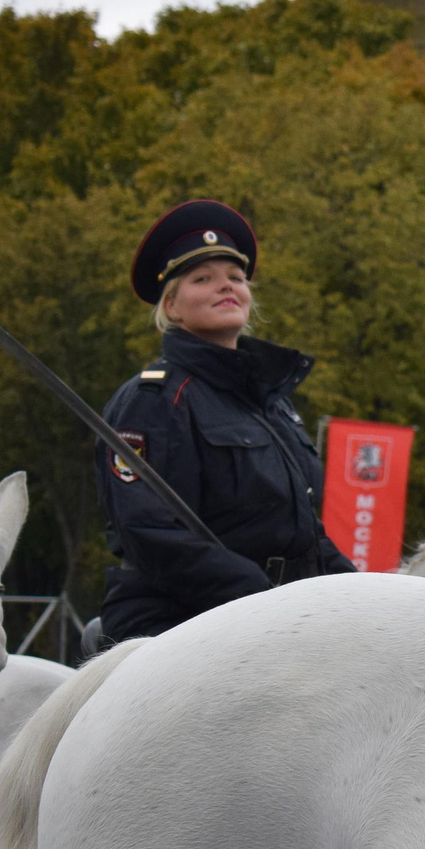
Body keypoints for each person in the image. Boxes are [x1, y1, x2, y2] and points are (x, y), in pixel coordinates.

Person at [94, 201, 352, 643]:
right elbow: (148, 531)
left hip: (279, 615)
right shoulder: (153, 400)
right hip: (178, 621)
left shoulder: (272, 405)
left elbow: (306, 534)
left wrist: (369, 591)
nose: (226, 286)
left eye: (236, 277)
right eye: (203, 279)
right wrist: (263, 597)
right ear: (172, 306)